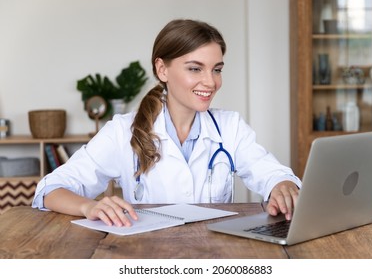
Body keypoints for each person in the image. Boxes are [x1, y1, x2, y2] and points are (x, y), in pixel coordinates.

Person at [32, 19, 301, 227]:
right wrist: (88, 207)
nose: (211, 82)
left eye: (216, 69)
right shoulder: (121, 131)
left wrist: (282, 186)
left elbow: (273, 175)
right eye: (195, 68)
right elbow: (49, 190)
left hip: (215, 257)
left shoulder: (229, 127)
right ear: (162, 69)